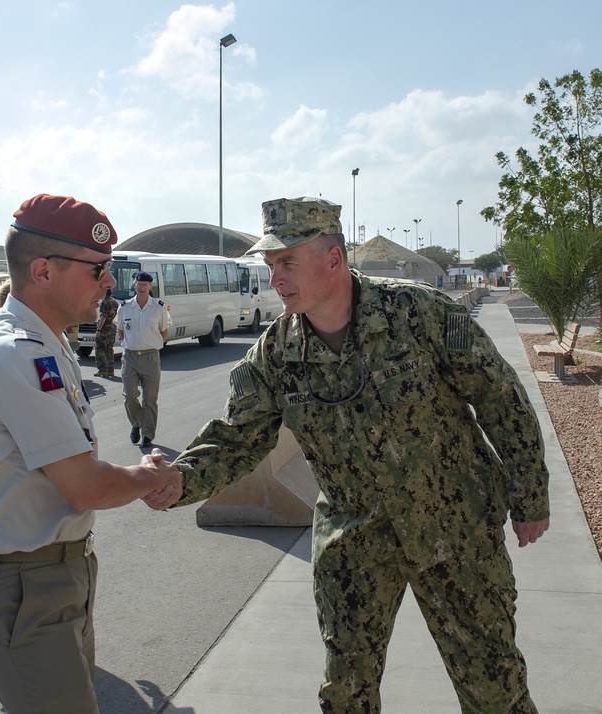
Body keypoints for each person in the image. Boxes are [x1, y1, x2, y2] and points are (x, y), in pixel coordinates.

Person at [169, 196, 550, 712]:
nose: (275, 278)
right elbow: (237, 437)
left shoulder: (420, 313)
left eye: (287, 262)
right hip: (355, 542)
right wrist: (178, 480)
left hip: (455, 531)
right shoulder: (277, 352)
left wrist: (529, 496)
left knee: (493, 687)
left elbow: (500, 396)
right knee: (345, 695)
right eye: (270, 265)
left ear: (332, 259)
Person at [0, 193, 182, 713]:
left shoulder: (47, 344)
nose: (109, 282)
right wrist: (147, 475)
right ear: (44, 270)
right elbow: (85, 486)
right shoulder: (16, 353)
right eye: (98, 269)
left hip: (48, 577)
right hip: (24, 588)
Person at [116, 271, 170, 447]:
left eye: (145, 285)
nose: (141, 287)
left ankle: (148, 434)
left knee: (150, 398)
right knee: (130, 395)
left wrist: (151, 344)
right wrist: (131, 344)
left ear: (150, 286)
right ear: (134, 285)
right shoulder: (124, 307)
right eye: (139, 284)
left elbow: (164, 331)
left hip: (150, 358)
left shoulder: (159, 308)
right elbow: (121, 331)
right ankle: (137, 423)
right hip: (130, 358)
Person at [93, 287, 119, 378]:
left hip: (105, 328)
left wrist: (99, 330)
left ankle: (102, 369)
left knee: (100, 348)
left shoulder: (105, 302)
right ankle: (110, 370)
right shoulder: (115, 302)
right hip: (112, 327)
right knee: (109, 348)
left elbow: (103, 316)